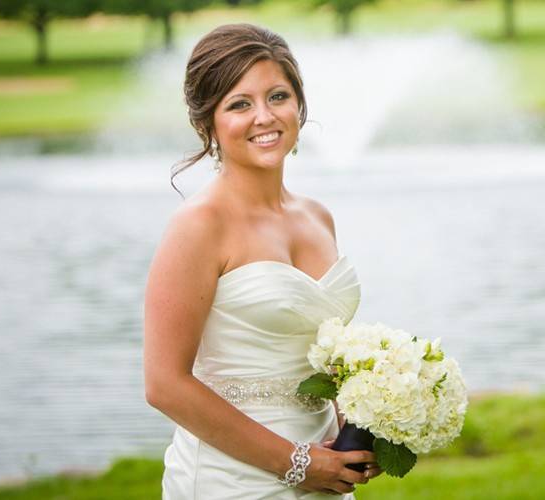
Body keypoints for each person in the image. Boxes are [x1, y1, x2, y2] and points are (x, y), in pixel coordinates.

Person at [143, 24, 383, 499]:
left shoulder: (318, 218)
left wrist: (355, 432)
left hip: (325, 470)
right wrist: (296, 464)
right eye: (239, 104)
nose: (265, 117)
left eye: (278, 96)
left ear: (299, 105)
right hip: (232, 479)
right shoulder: (198, 226)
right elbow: (164, 384)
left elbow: (321, 351)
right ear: (207, 123)